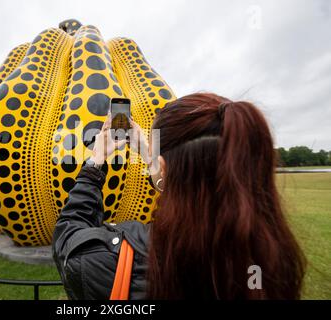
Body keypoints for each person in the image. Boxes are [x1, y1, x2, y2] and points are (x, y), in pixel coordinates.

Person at [52, 92, 306, 300]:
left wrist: (95, 162)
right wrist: (151, 155)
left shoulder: (114, 262)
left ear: (163, 168)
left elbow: (67, 238)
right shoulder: (270, 260)